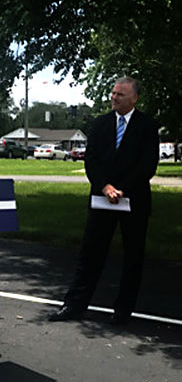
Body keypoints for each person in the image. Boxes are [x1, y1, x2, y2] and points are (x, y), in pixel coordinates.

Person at [49, 77, 159, 325]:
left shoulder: (147, 126)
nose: (114, 97)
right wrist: (105, 186)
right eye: (113, 93)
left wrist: (122, 189)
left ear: (134, 98)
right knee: (90, 254)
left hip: (134, 201)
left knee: (133, 257)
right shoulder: (100, 124)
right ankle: (74, 305)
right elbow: (92, 162)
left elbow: (147, 165)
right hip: (102, 199)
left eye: (120, 94)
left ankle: (123, 311)